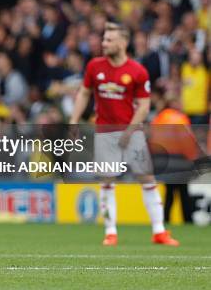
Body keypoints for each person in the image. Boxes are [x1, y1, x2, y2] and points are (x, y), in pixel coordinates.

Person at [69, 22, 179, 246]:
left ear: (123, 43)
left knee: (146, 178)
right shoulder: (94, 66)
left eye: (109, 40)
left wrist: (129, 131)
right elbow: (84, 92)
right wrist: (73, 120)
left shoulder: (137, 71)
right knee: (107, 181)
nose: (104, 43)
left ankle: (159, 231)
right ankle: (110, 232)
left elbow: (144, 106)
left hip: (133, 133)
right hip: (104, 133)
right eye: (104, 39)